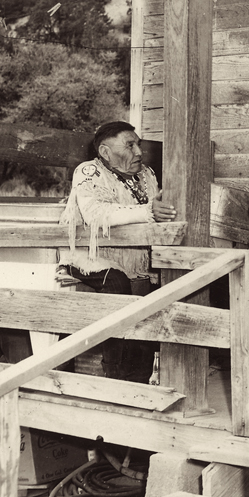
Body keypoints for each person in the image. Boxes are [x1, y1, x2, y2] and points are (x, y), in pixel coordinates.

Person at [59, 121, 178, 380]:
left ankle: (139, 381)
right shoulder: (88, 171)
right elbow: (95, 213)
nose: (139, 152)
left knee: (149, 299)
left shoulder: (146, 175)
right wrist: (147, 212)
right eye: (130, 145)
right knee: (118, 284)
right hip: (88, 258)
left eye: (139, 145)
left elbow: (155, 211)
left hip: (133, 260)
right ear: (105, 152)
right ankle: (115, 374)